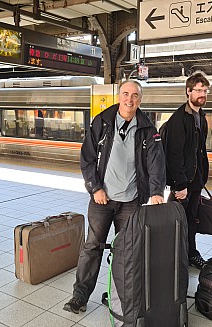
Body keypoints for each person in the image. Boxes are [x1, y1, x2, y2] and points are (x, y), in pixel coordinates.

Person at [63, 80, 166, 314]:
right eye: (126, 94)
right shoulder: (102, 122)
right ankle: (79, 296)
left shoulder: (148, 129)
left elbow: (156, 164)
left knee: (125, 251)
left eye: (135, 95)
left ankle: (116, 296)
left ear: (141, 99)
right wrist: (95, 188)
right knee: (92, 247)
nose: (130, 99)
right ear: (119, 96)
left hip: (131, 202)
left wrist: (157, 192)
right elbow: (87, 159)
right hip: (102, 200)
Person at [163, 72, 210, 270]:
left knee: (191, 221)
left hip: (196, 181)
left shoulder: (201, 116)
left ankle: (190, 253)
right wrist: (179, 185)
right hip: (184, 183)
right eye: (198, 90)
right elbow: (175, 155)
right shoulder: (179, 119)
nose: (202, 94)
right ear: (188, 91)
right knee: (178, 223)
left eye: (205, 90)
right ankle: (174, 258)